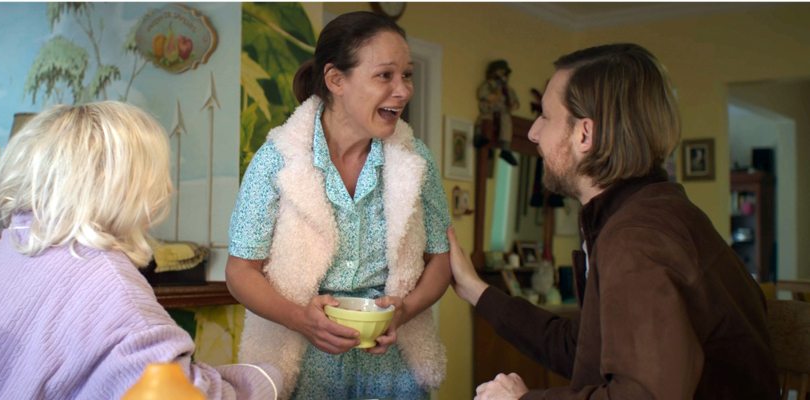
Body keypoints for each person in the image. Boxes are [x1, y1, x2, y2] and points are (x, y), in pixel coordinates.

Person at [447, 43, 778, 399]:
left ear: (584, 134)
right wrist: (475, 289)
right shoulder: (647, 215)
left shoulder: (638, 239)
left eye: (545, 116)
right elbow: (580, 347)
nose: (533, 133)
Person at [0, 102, 282, 400]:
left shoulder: (6, 252)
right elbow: (186, 393)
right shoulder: (107, 282)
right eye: (157, 177)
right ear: (127, 188)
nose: (166, 189)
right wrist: (272, 377)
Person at [226, 11, 452, 400]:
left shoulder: (417, 161)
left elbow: (441, 259)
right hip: (303, 362)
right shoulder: (276, 159)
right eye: (385, 76)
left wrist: (406, 309)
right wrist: (301, 320)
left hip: (395, 366)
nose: (403, 90)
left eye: (408, 75)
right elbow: (240, 271)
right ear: (336, 80)